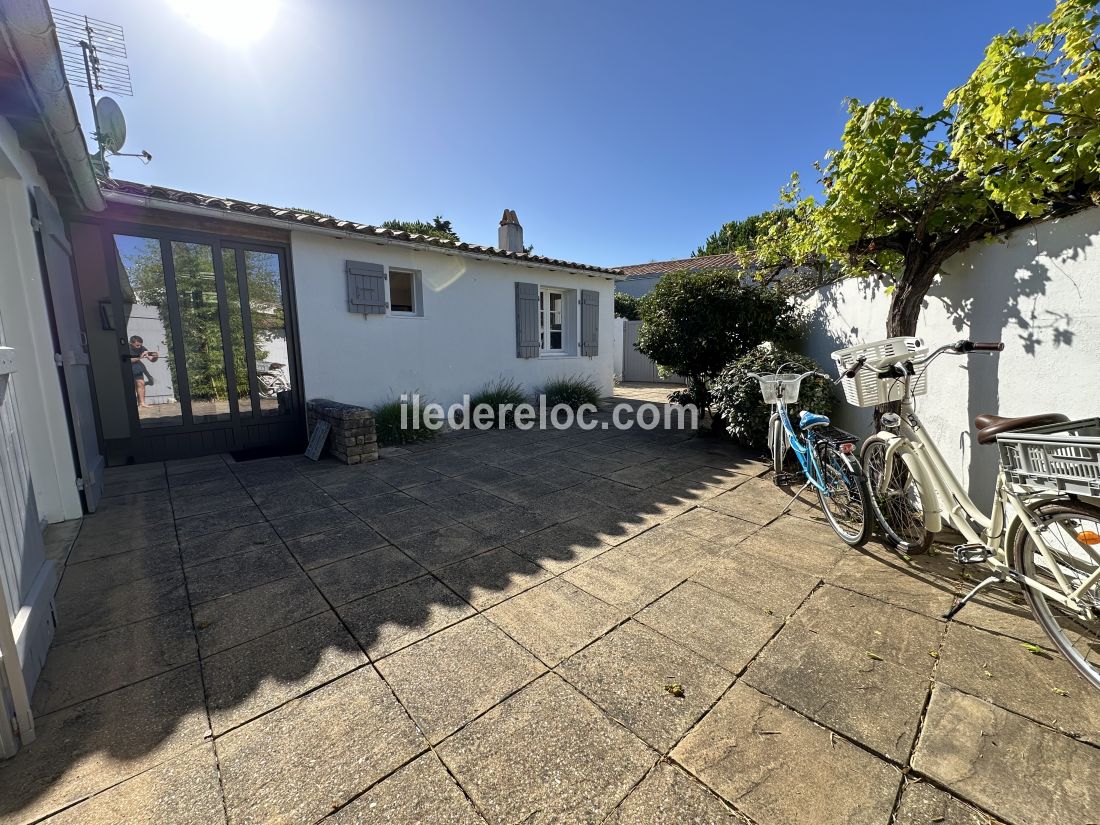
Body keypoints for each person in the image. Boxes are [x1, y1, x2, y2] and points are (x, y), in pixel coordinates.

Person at [129, 335, 155, 408]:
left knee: (141, 384)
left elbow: (151, 358)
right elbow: (129, 360)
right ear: (131, 343)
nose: (139, 347)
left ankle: (142, 403)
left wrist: (154, 356)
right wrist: (140, 357)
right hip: (127, 367)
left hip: (137, 367)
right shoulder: (126, 348)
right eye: (137, 345)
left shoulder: (141, 348)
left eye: (140, 345)